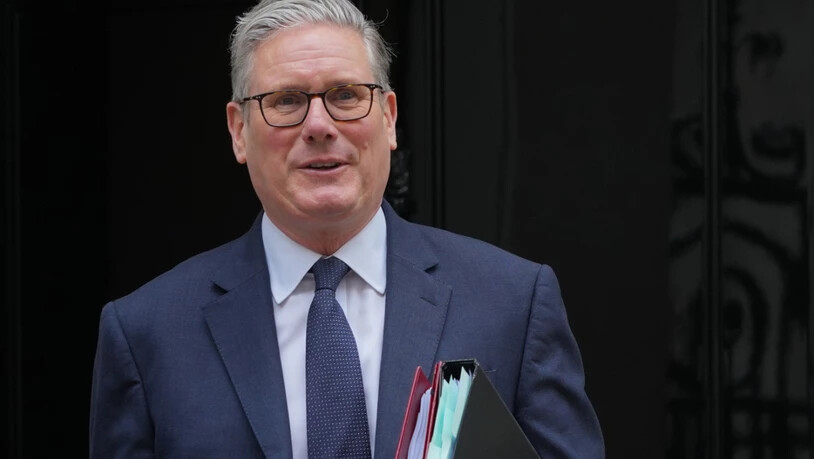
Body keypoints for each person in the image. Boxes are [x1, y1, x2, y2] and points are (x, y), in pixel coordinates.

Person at [89, 0, 604, 457]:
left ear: (389, 117)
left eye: (345, 94)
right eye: (286, 101)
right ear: (238, 131)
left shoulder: (511, 301)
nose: (319, 125)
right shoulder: (147, 332)